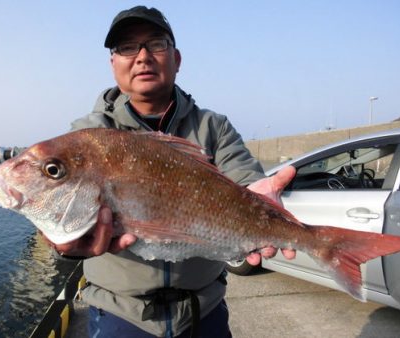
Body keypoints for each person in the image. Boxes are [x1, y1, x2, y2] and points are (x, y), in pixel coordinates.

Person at [49, 6, 296, 338]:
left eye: (156, 44)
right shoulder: (90, 135)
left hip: (204, 311)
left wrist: (259, 199)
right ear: (113, 64)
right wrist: (58, 241)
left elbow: (244, 178)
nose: (142, 57)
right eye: (126, 47)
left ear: (176, 58)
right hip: (120, 316)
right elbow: (56, 204)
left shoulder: (213, 126)